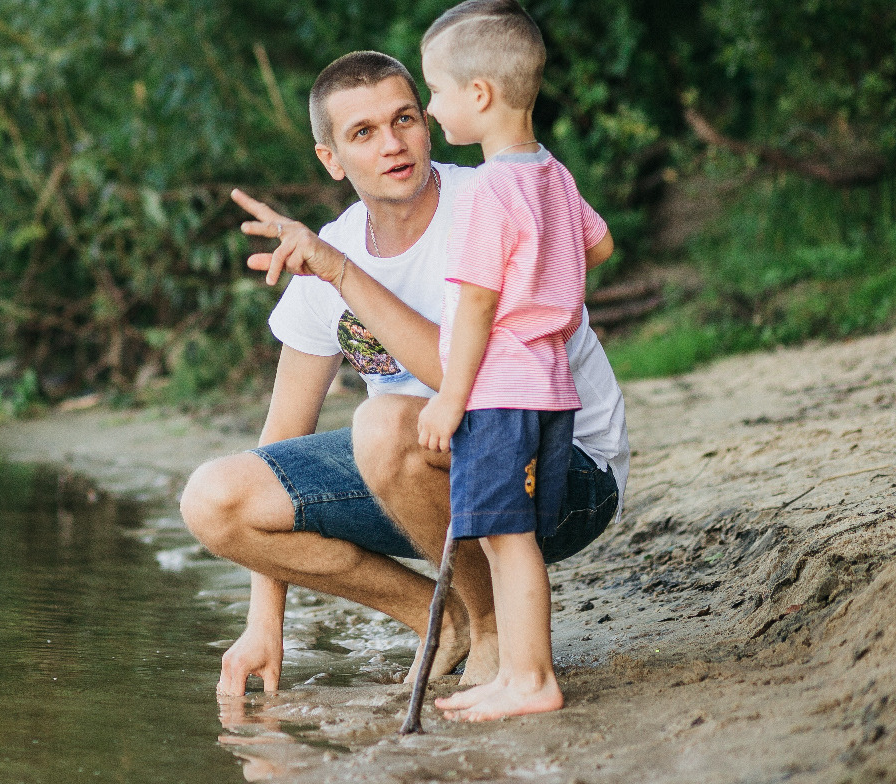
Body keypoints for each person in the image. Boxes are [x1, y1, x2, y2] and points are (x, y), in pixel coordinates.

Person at [180, 49, 628, 702]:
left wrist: (340, 272)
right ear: (331, 159)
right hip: (433, 478)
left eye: (406, 119)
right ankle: (438, 617)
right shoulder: (336, 244)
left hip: (562, 471)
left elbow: (460, 377)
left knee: (384, 425)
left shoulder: (489, 201)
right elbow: (281, 435)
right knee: (214, 499)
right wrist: (263, 623)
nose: (393, 145)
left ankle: (497, 632)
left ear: (428, 122)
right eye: (363, 133)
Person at [412, 0, 613, 721]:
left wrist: (448, 398)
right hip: (551, 386)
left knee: (508, 537)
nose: (430, 110)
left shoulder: (488, 192)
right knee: (508, 537)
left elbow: (474, 307)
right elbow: (600, 244)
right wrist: (552, 283)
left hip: (499, 390)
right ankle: (520, 674)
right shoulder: (551, 174)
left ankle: (532, 680)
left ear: (480, 95)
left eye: (434, 93)